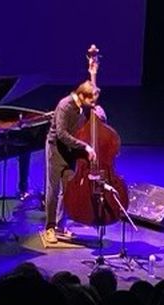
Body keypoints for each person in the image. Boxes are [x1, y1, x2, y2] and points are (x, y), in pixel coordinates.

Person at [43, 80, 107, 244]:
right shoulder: (65, 105)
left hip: (70, 152)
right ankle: (50, 227)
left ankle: (60, 225)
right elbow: (62, 135)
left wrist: (99, 115)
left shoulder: (81, 107)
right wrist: (85, 147)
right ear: (81, 96)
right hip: (56, 151)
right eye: (91, 101)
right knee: (53, 189)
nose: (92, 105)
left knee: (68, 190)